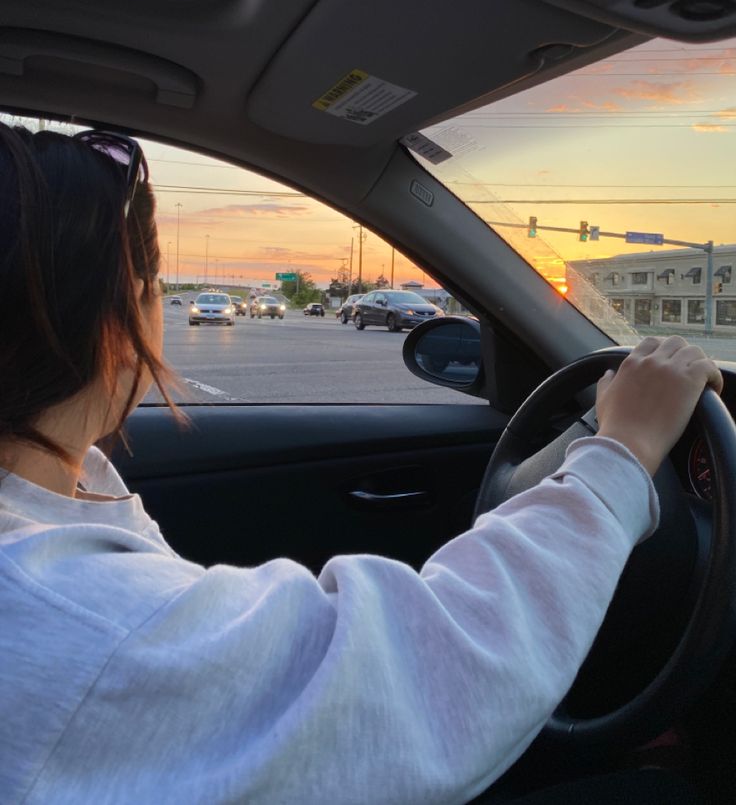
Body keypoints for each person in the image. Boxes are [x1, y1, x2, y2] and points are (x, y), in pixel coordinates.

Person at [0, 123, 722, 805]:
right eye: (151, 285)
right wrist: (623, 449)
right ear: (107, 322)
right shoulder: (70, 614)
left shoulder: (56, 503)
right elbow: (429, 676)